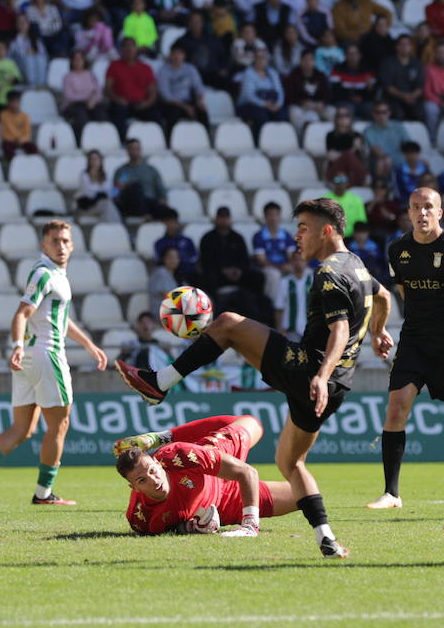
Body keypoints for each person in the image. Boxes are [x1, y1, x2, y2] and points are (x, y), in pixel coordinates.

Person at [115, 199, 394, 559]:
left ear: (327, 230)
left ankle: (160, 383)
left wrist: (321, 374)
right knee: (290, 463)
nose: (297, 236)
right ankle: (326, 537)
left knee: (229, 323)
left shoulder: (328, 272)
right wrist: (378, 332)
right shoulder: (356, 265)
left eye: (304, 228)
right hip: (338, 386)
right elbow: (383, 296)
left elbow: (339, 329)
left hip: (309, 370)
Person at [0, 221, 109, 506]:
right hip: (47, 355)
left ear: (73, 245)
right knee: (60, 424)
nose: (61, 246)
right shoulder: (44, 274)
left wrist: (88, 344)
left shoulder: (56, 275)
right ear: (44, 246)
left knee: (23, 429)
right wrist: (16, 345)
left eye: (66, 241)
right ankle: (43, 494)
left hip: (30, 359)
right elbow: (21, 313)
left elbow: (57, 317)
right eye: (55, 241)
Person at [367, 188, 444, 510]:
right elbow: (405, 292)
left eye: (428, 207)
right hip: (415, 340)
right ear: (408, 213)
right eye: (416, 208)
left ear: (440, 213)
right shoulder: (398, 249)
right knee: (396, 407)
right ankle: (392, 493)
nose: (422, 213)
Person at [115, 415, 298, 537]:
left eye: (153, 471)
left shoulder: (181, 456)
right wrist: (190, 527)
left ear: (157, 463)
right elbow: (168, 527)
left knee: (252, 423)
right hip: (226, 502)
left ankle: (159, 438)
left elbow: (248, 472)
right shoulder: (140, 519)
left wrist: (250, 525)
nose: (153, 480)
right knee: (303, 495)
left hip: (216, 460)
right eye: (142, 480)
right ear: (134, 488)